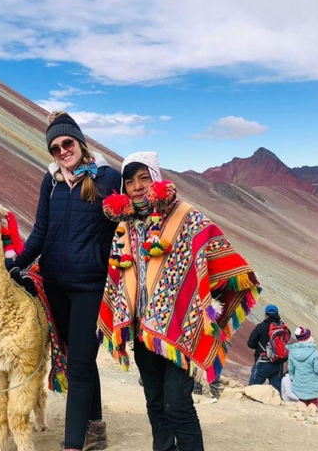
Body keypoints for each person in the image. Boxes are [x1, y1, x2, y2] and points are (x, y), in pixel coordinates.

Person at [98, 152, 260, 451]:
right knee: (155, 402)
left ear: (157, 180)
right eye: (130, 181)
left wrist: (206, 305)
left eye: (144, 178)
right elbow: (120, 276)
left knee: (177, 403)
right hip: (143, 330)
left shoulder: (187, 217)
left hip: (182, 330)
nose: (136, 187)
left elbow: (215, 249)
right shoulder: (126, 227)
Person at [5, 111, 121, 451]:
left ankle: (72, 444)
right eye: (54, 148)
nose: (61, 152)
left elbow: (126, 221)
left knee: (80, 365)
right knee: (76, 358)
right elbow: (41, 231)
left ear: (80, 142)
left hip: (90, 287)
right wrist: (17, 263)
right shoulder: (52, 182)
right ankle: (95, 428)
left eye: (66, 143)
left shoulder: (107, 178)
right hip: (55, 285)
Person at [287, 327, 318, 406]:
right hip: (312, 386)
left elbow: (291, 369)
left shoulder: (292, 352)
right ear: (308, 338)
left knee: (301, 403)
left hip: (299, 384)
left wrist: (292, 379)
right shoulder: (314, 353)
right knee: (313, 404)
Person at [247, 304, 287, 391]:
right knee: (276, 392)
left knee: (252, 390)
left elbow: (250, 344)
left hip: (262, 361)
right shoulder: (283, 328)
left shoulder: (260, 327)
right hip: (278, 363)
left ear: (266, 315)